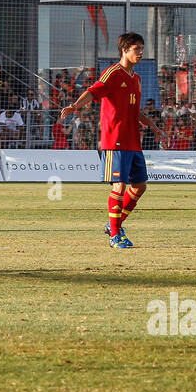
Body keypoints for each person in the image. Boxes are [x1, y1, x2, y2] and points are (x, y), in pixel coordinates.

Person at [58, 32, 165, 250]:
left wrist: (150, 124)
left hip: (133, 140)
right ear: (124, 50)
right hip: (114, 139)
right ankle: (115, 236)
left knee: (140, 186)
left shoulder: (136, 78)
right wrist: (74, 107)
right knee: (119, 185)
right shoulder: (113, 73)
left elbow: (133, 109)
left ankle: (114, 224)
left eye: (142, 49)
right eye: (137, 49)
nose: (141, 53)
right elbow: (92, 91)